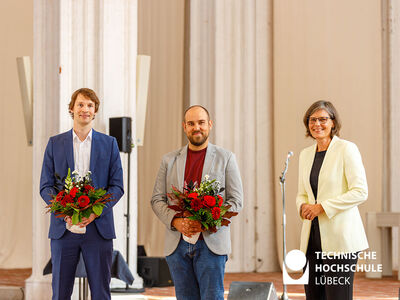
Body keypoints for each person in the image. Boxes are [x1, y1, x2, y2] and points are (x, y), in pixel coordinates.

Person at [151, 105, 243, 300]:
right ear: (184, 127)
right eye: (191, 124)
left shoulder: (226, 158)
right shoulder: (169, 160)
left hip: (212, 244)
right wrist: (176, 221)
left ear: (210, 125)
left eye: (201, 122)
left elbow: (236, 201)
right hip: (177, 245)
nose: (196, 128)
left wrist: (208, 221)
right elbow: (157, 199)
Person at [40, 88, 124, 300]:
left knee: (101, 293)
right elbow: (46, 186)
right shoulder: (54, 143)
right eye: (80, 104)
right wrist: (63, 211)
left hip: (98, 229)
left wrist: (96, 213)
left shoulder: (110, 143)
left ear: (95, 111)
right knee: (60, 293)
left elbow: (117, 186)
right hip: (63, 229)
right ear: (72, 108)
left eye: (89, 105)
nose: (85, 109)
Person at [296, 100, 369, 300]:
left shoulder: (347, 149)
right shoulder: (305, 155)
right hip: (311, 239)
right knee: (314, 296)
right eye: (312, 119)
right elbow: (302, 193)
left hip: (340, 240)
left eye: (323, 119)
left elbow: (360, 191)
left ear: (333, 123)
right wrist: (302, 206)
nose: (317, 124)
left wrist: (322, 207)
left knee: (337, 296)